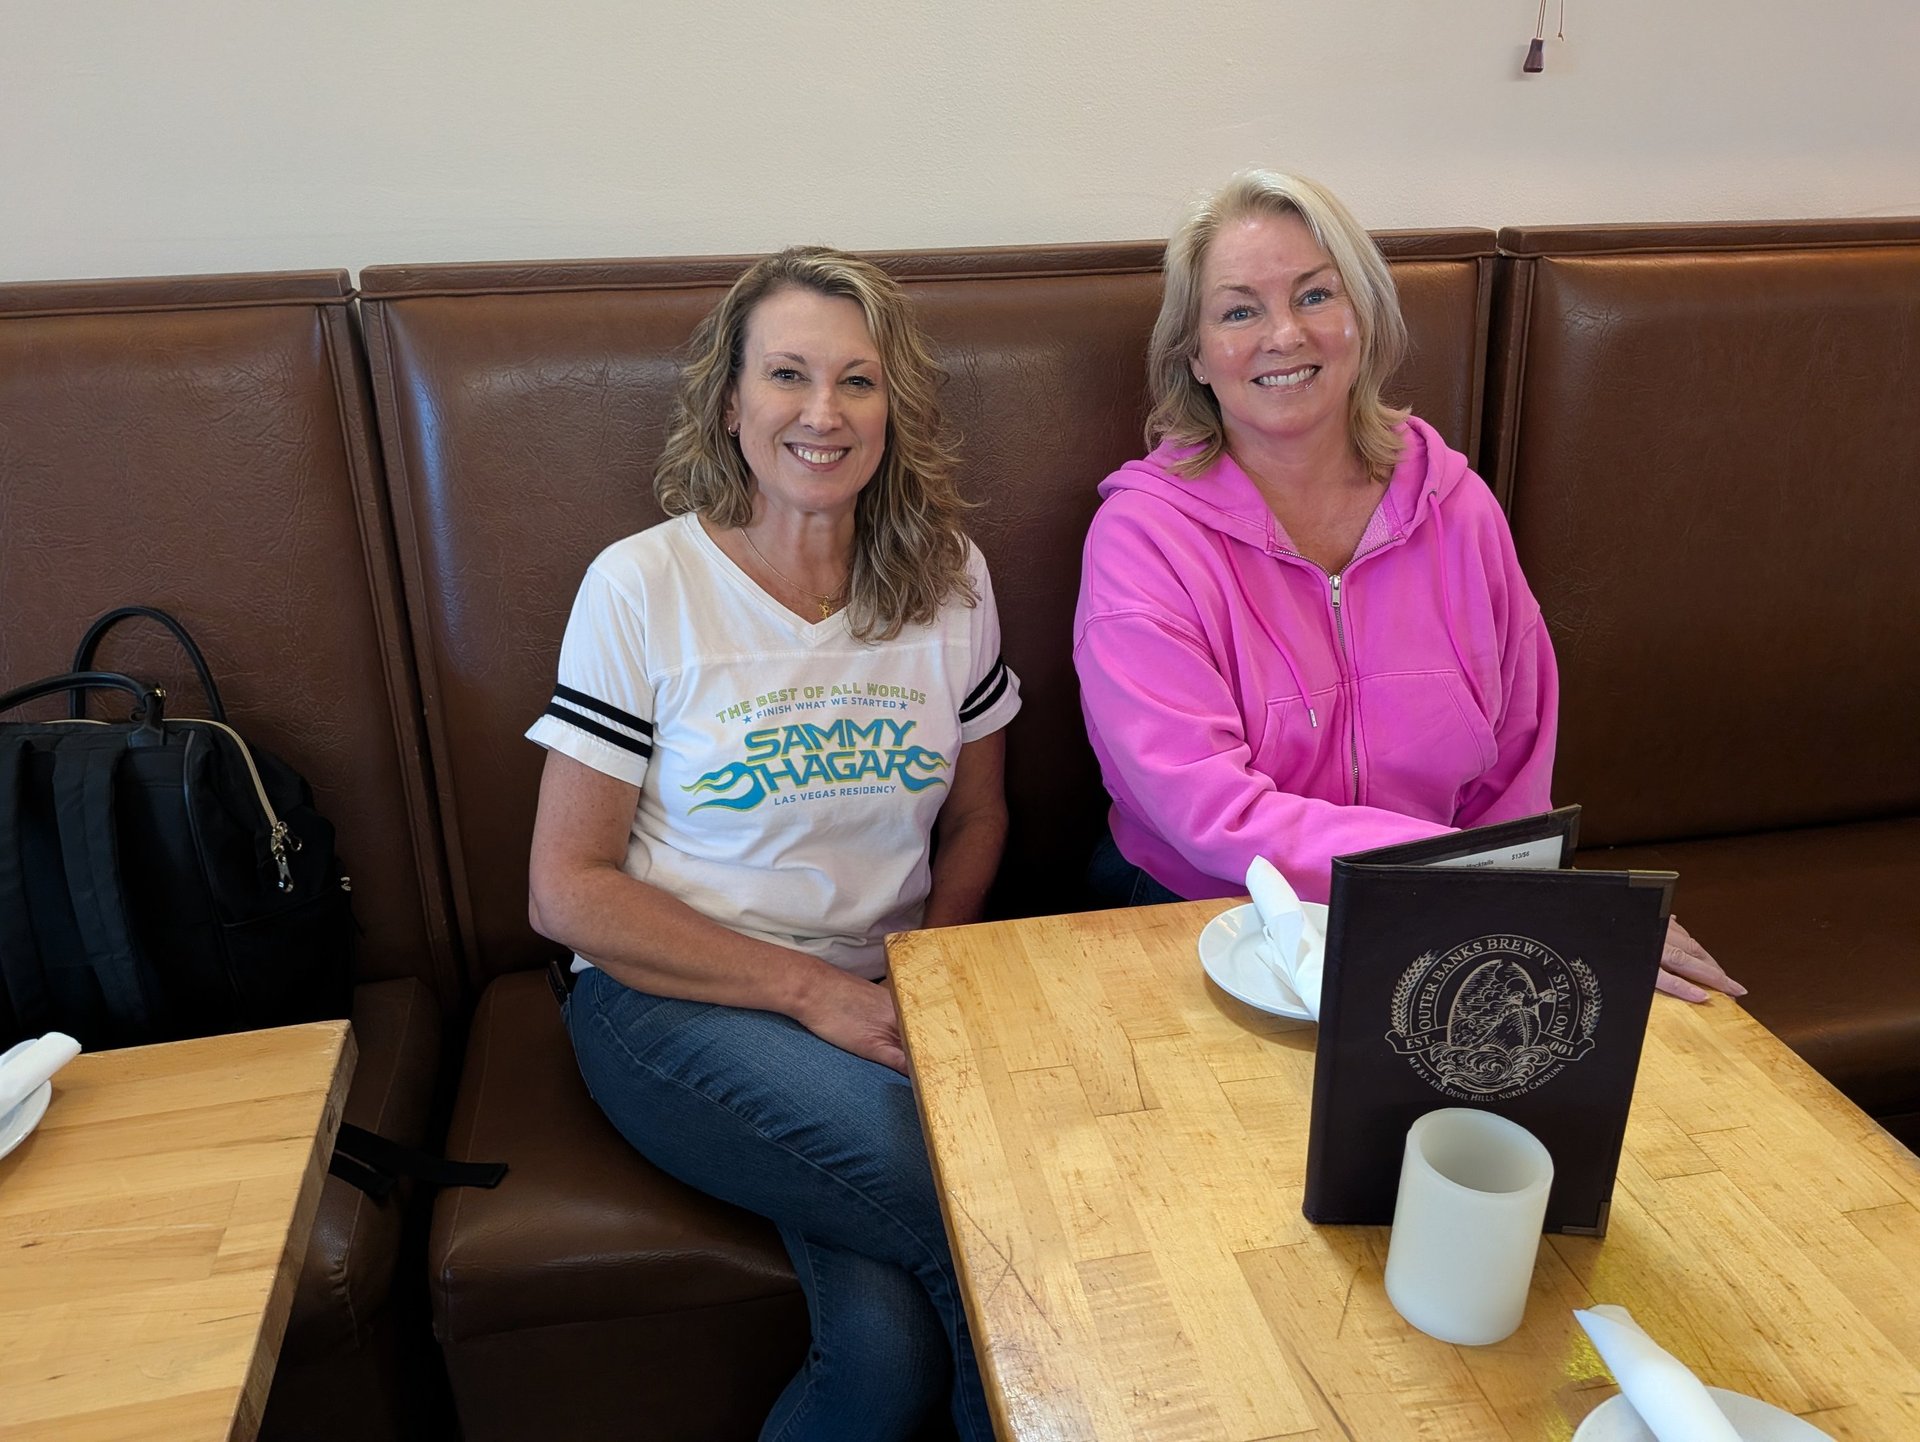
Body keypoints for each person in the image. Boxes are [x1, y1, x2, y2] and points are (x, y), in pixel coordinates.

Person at [526, 246, 1015, 1441]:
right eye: (788, 374)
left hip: (878, 1001)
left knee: (887, 1357)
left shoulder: (950, 581)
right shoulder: (642, 586)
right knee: (982, 1213)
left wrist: (930, 975)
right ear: (730, 399)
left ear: (892, 407)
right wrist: (810, 993)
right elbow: (566, 888)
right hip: (672, 999)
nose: (822, 412)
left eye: (857, 380)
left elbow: (979, 814)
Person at [1073, 170, 1740, 1003]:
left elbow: (1515, 765)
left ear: (1363, 319)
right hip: (1207, 907)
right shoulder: (1144, 539)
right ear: (1195, 358)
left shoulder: (1457, 506)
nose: (1284, 333)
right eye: (1240, 310)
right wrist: (1485, 892)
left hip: (1442, 904)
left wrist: (1542, 907)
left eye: (1315, 295)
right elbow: (1209, 812)